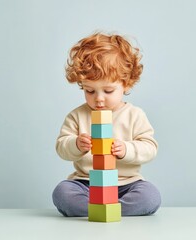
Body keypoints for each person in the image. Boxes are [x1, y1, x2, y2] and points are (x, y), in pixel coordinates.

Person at [52, 32, 161, 217]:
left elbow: (150, 148)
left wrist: (125, 149)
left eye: (108, 90)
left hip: (126, 183)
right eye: (90, 90)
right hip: (86, 183)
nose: (99, 99)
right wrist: (76, 144)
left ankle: (113, 208)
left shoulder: (134, 115)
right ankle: (95, 209)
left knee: (150, 197)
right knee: (62, 193)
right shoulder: (78, 115)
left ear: (126, 84)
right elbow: (62, 147)